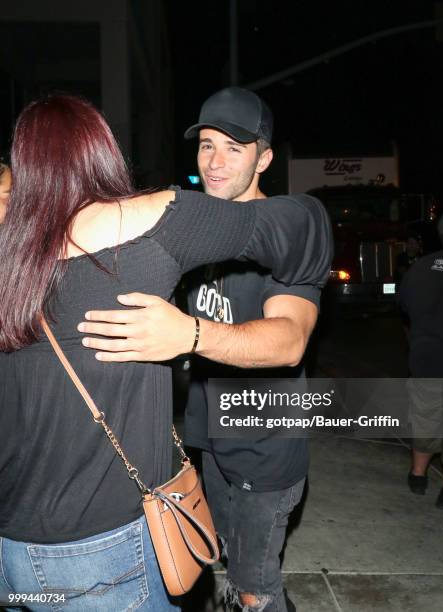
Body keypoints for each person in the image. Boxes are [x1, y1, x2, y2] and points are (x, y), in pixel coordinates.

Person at [0, 94, 330, 611]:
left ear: (264, 159)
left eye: (234, 147)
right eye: (206, 145)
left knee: (254, 589)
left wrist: (192, 335)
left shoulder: (253, 245)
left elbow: (289, 342)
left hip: (263, 448)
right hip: (204, 443)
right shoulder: (181, 242)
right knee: (216, 569)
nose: (215, 162)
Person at [400, 206, 443, 511]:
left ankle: (418, 474)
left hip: (425, 359)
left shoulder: (421, 267)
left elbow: (405, 307)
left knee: (425, 417)